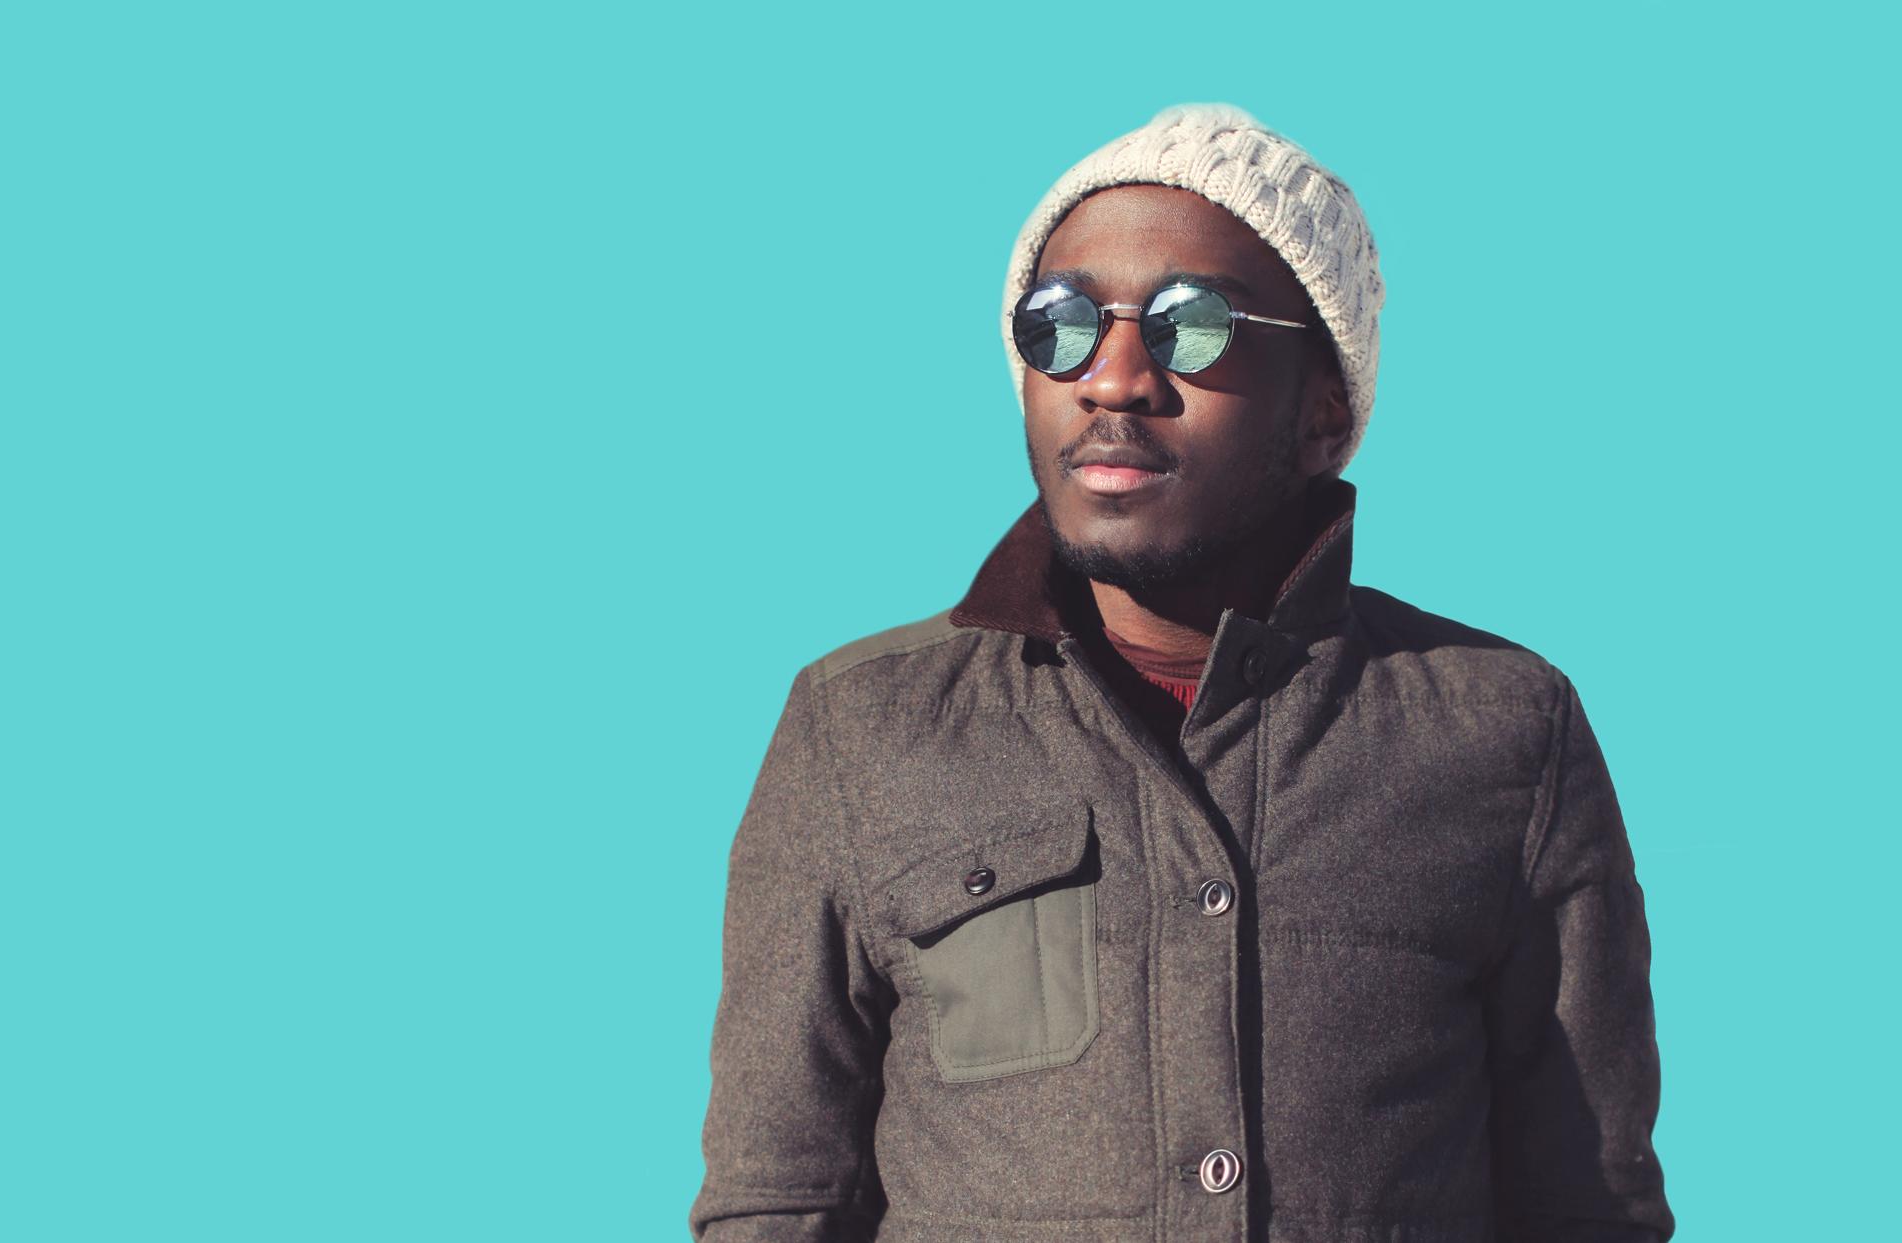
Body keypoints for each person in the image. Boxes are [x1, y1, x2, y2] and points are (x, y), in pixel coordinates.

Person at [688, 103, 1673, 1243]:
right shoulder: (860, 728)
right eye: (1059, 325)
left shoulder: (1502, 729)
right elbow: (777, 1205)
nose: (1113, 379)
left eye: (1192, 325)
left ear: (1325, 409)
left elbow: (1590, 1211)